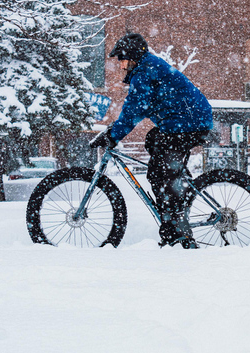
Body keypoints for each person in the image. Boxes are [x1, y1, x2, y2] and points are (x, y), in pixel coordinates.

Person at [91, 33, 214, 248]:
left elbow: (134, 109)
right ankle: (179, 185)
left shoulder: (145, 71)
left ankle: (178, 231)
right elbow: (136, 108)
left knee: (160, 174)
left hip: (188, 123)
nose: (121, 67)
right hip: (182, 122)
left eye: (123, 60)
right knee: (154, 140)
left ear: (134, 57)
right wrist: (115, 131)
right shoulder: (146, 68)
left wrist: (112, 135)